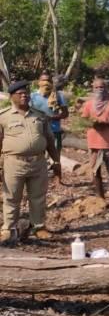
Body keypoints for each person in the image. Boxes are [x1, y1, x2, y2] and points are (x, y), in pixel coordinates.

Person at [0, 81, 60, 243]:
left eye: (26, 93)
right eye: (19, 93)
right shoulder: (3, 116)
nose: (24, 95)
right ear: (11, 97)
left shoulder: (39, 115)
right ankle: (8, 229)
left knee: (38, 197)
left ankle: (39, 227)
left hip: (38, 162)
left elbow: (49, 140)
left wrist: (56, 161)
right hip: (13, 163)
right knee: (11, 197)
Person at [81, 77, 109, 202]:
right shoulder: (89, 104)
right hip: (94, 144)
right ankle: (101, 198)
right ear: (93, 89)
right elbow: (83, 120)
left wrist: (107, 124)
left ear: (106, 88)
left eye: (102, 87)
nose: (99, 89)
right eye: (97, 87)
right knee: (96, 172)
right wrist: (91, 123)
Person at [31, 72, 68, 155]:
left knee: (55, 157)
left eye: (48, 80)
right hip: (38, 131)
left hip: (54, 131)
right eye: (43, 80)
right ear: (39, 82)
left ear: (51, 82)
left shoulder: (58, 95)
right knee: (38, 157)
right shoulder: (32, 96)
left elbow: (65, 113)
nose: (45, 83)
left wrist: (51, 117)